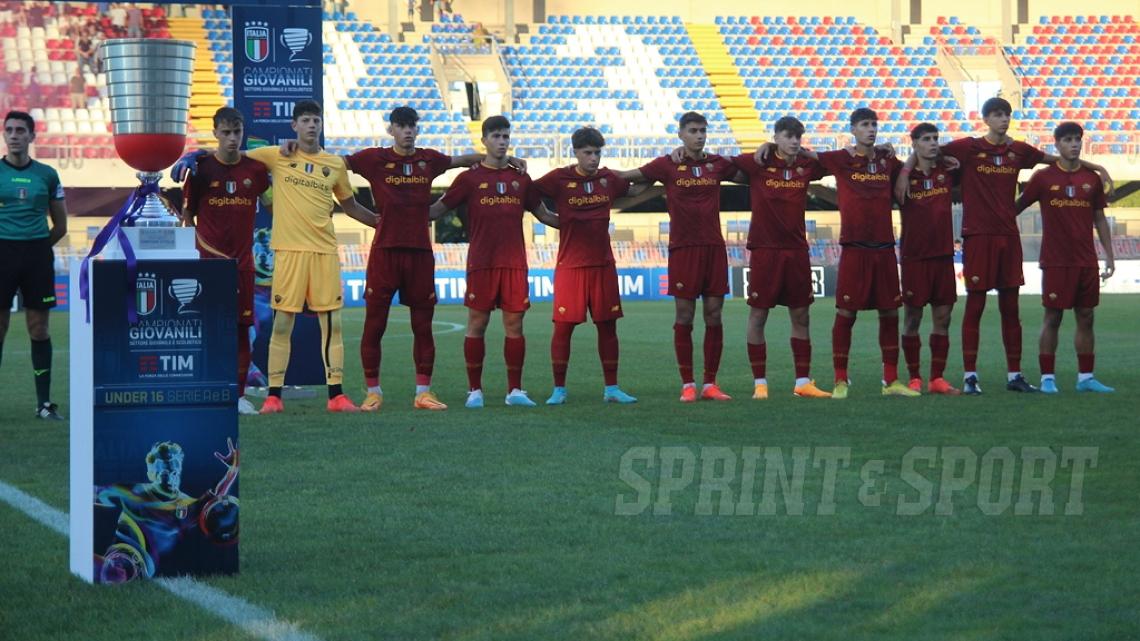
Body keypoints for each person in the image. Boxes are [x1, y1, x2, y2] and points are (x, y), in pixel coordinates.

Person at [176, 100, 379, 414]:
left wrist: (382, 223)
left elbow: (350, 206)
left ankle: (336, 395)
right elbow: (231, 155)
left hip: (324, 251)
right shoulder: (274, 156)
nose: (312, 125)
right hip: (286, 253)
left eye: (316, 120)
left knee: (332, 324)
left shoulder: (334, 164)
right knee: (281, 324)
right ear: (294, 125)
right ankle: (273, 397)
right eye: (306, 120)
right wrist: (195, 154)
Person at [904, 97, 1113, 394]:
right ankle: (970, 377)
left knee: (1011, 309)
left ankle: (1015, 375)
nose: (1004, 119)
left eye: (1007, 114)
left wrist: (1097, 167)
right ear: (986, 119)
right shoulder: (968, 147)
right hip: (978, 236)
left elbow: (1055, 159)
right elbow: (927, 151)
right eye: (998, 114)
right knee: (975, 306)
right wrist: (905, 171)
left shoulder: (1019, 151)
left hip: (1008, 237)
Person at [338, 106, 523, 411]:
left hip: (421, 254)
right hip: (385, 253)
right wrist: (297, 149)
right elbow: (336, 163)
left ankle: (423, 392)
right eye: (401, 126)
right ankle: (373, 392)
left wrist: (505, 160)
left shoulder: (429, 159)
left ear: (418, 130)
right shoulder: (374, 159)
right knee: (375, 324)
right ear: (391, 130)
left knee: (423, 326)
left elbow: (461, 160)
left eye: (412, 126)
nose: (407, 131)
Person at [428, 115, 558, 408]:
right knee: (477, 322)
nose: (501, 141)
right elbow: (436, 210)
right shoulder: (469, 179)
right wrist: (404, 208)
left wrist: (582, 221)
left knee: (515, 324)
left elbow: (545, 215)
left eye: (505, 136)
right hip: (482, 262)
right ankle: (474, 391)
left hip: (514, 262)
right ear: (484, 140)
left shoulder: (521, 179)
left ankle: (515, 391)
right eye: (496, 136)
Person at [618, 111, 740, 402]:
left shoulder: (717, 164)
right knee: (684, 315)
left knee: (714, 314)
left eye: (703, 131)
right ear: (681, 134)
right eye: (693, 131)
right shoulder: (666, 164)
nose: (699, 136)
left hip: (713, 248)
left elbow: (754, 174)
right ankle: (688, 384)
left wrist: (769, 149)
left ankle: (710, 384)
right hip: (683, 249)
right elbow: (629, 177)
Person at [813, 108, 917, 398]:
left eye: (873, 124)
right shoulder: (841, 158)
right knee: (846, 313)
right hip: (855, 249)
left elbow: (916, 163)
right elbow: (805, 155)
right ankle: (840, 380)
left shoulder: (886, 159)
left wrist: (903, 169)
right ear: (853, 129)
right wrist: (769, 145)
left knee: (890, 312)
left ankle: (891, 381)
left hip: (884, 249)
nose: (871, 129)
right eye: (864, 125)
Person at [533, 127, 640, 404]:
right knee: (563, 328)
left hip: (603, 266)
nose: (593, 158)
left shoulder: (608, 179)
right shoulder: (559, 178)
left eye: (597, 153)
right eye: (588, 153)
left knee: (608, 327)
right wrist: (548, 217)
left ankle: (612, 389)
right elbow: (528, 194)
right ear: (576, 153)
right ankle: (559, 389)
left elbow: (635, 188)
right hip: (571, 267)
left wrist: (660, 174)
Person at [733, 116, 832, 399]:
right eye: (788, 136)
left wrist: (807, 153)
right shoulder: (758, 163)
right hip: (765, 251)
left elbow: (840, 162)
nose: (794, 142)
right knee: (758, 314)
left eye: (798, 137)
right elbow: (722, 164)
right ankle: (760, 384)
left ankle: (802, 382)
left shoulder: (806, 165)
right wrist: (763, 146)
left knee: (801, 315)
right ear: (776, 137)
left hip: (797, 251)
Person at [181, 107, 271, 415]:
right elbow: (187, 216)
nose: (233, 138)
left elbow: (273, 204)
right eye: (226, 132)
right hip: (209, 266)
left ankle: (239, 395)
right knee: (208, 328)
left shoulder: (256, 171)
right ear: (215, 133)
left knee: (241, 329)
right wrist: (194, 253)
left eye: (237, 132)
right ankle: (207, 388)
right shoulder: (201, 169)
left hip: (243, 265)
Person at [1015, 121, 1115, 394]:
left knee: (1086, 316)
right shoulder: (1043, 178)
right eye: (1068, 140)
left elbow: (1099, 218)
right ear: (1057, 144)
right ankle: (1047, 379)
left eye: (1077, 139)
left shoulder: (1091, 179)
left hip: (1086, 260)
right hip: (1056, 261)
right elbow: (1017, 207)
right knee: (1053, 317)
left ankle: (1086, 378)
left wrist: (1109, 256)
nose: (1073, 144)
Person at [0, 111, 68, 420]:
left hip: (37, 255)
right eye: (9, 130)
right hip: (2, 254)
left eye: (20, 130)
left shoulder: (47, 175)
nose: (14, 135)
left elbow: (60, 226)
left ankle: (44, 404)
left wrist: (37, 249)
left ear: (32, 136)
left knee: (39, 329)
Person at [94, 439, 238, 583]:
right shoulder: (132, 492)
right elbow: (95, 492)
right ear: (151, 473)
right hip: (122, 555)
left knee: (114, 574)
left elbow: (215, 498)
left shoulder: (188, 506)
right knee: (110, 571)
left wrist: (233, 469)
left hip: (142, 567)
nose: (171, 479)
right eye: (164, 474)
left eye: (175, 473)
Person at [896, 123, 961, 395]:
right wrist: (907, 168)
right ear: (914, 143)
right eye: (926, 139)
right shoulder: (902, 174)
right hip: (915, 257)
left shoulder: (947, 170)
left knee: (943, 317)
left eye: (935, 138)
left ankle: (937, 378)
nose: (933, 142)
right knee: (912, 317)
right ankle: (914, 377)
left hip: (943, 256)